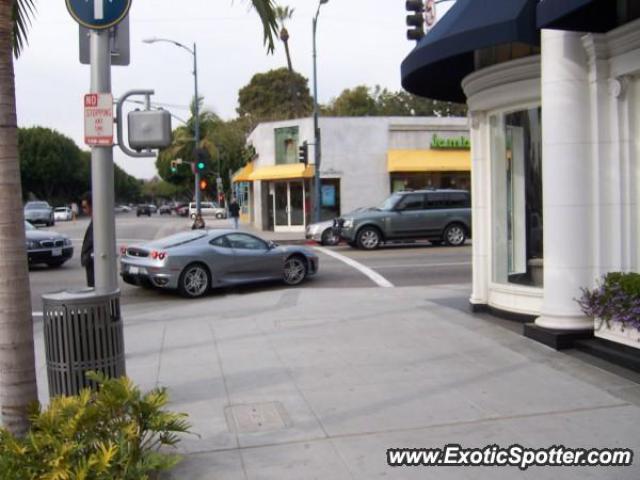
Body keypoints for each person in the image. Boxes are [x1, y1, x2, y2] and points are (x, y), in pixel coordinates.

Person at [80, 192, 94, 288]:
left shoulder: (98, 223)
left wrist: (87, 257)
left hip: (94, 267)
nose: (84, 210)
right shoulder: (94, 221)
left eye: (85, 207)